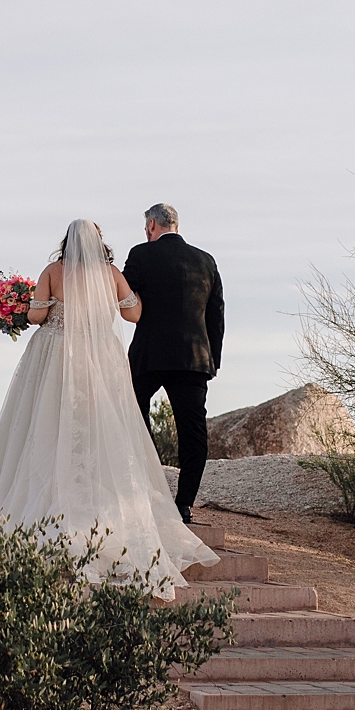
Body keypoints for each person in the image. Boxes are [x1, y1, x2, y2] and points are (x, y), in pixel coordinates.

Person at [0, 218, 217, 596]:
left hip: (57, 356)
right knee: (98, 423)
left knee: (47, 421)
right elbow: (133, 314)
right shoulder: (111, 274)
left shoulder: (53, 270)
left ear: (67, 241)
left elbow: (35, 316)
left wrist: (31, 306)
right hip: (100, 357)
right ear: (98, 243)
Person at [121, 203, 223, 525]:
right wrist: (212, 361)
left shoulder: (141, 255)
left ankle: (150, 488)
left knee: (132, 416)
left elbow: (123, 295)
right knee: (193, 433)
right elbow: (216, 316)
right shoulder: (206, 261)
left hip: (148, 356)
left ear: (152, 225)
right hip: (193, 359)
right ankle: (183, 504)